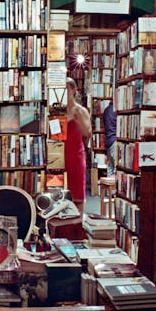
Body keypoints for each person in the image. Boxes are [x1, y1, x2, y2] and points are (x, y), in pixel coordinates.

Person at [63, 78, 91, 211]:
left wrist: (78, 120)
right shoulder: (56, 111)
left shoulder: (81, 111)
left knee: (77, 196)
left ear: (74, 90)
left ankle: (78, 225)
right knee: (59, 196)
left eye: (67, 88)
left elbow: (87, 133)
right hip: (60, 157)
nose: (64, 92)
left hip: (76, 157)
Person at [102, 101, 117, 177]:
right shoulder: (116, 110)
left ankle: (109, 188)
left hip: (108, 141)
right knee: (116, 168)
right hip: (115, 141)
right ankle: (115, 188)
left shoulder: (106, 110)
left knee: (110, 168)